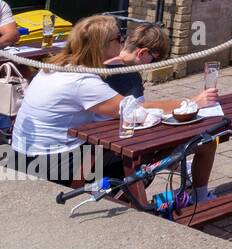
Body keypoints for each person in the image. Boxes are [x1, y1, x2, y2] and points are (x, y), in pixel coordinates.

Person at [10, 15, 218, 189]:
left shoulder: (57, 66)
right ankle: (148, 196)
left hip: (24, 156)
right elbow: (134, 110)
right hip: (52, 164)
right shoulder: (82, 80)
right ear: (101, 45)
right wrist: (191, 102)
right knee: (140, 156)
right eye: (118, 38)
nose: (122, 42)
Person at [103, 22, 171, 99]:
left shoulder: (98, 62)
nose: (150, 64)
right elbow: (137, 109)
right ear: (142, 53)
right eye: (153, 60)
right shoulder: (131, 78)